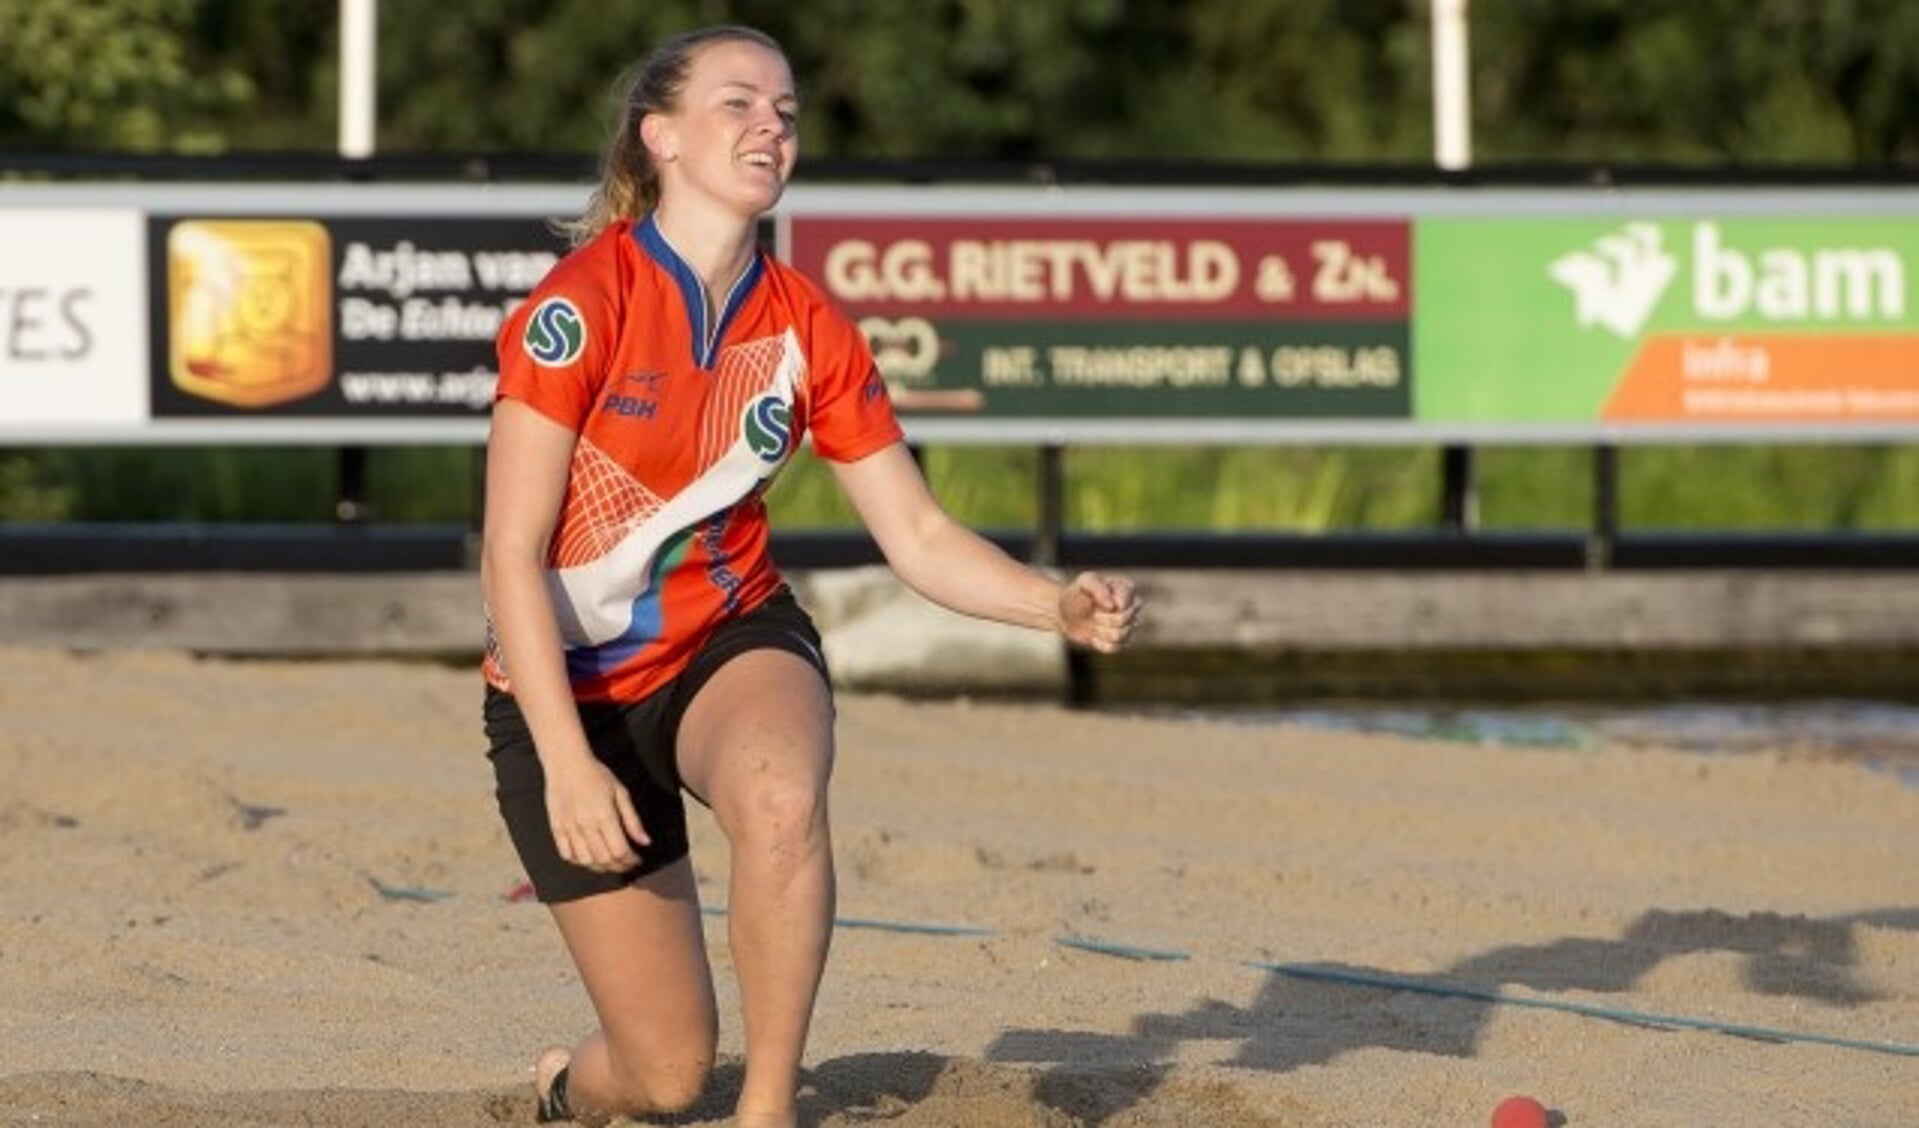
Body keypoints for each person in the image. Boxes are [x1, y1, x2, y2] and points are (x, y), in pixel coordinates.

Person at [480, 24, 1141, 1127]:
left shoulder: (805, 324)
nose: (770, 126)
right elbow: (507, 553)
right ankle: (566, 1087)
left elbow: (918, 538)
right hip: (568, 693)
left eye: (785, 111)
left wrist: (1054, 605)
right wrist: (562, 761)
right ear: (662, 139)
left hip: (725, 640)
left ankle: (770, 1110)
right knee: (661, 1076)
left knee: (784, 802)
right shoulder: (578, 305)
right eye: (737, 104)